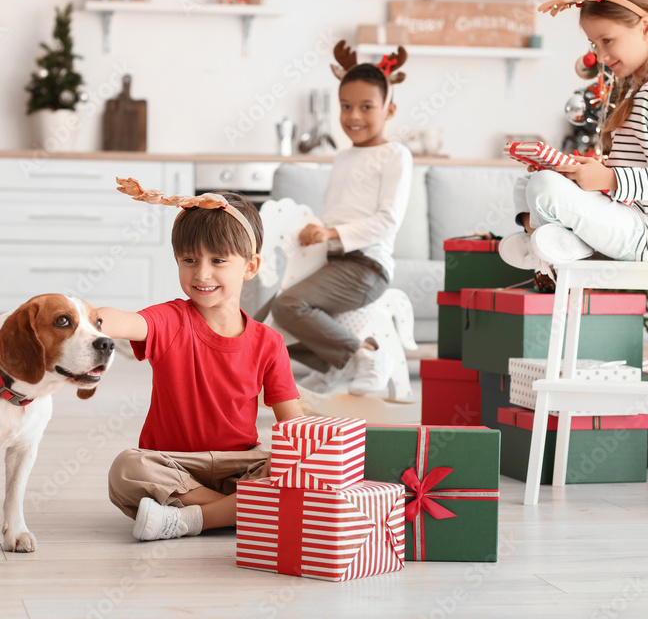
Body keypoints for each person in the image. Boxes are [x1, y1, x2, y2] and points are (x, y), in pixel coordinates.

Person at [100, 181, 303, 541]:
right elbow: (124, 321)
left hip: (239, 464)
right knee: (126, 469)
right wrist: (85, 316)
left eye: (218, 260)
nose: (202, 274)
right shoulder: (170, 319)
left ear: (250, 265)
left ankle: (190, 519)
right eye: (189, 260)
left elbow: (295, 427)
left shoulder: (269, 342)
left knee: (290, 466)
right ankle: (238, 510)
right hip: (171, 462)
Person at [500, 0, 648, 278]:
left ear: (647, 27)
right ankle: (557, 240)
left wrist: (608, 179)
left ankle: (552, 240)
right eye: (594, 43)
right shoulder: (639, 90)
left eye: (607, 40)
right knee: (530, 182)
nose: (601, 54)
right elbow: (634, 170)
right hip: (629, 214)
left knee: (544, 187)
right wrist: (585, 172)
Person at [270, 41, 413, 396]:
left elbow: (387, 221)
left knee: (288, 304)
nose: (353, 116)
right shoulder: (343, 156)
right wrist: (315, 232)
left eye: (367, 107)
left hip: (366, 266)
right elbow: (341, 211)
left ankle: (361, 354)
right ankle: (334, 364)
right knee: (266, 318)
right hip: (333, 261)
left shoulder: (395, 155)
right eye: (346, 106)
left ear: (389, 109)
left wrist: (332, 232)